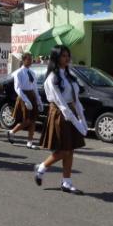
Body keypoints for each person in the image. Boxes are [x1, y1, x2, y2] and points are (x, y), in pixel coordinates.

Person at [34, 46, 88, 194]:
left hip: (70, 111)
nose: (67, 58)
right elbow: (61, 103)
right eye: (63, 56)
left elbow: (76, 99)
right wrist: (77, 123)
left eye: (67, 55)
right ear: (56, 58)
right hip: (60, 113)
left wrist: (82, 119)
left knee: (70, 150)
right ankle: (41, 167)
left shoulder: (69, 75)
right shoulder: (52, 78)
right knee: (64, 150)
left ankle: (67, 182)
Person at [7, 52, 43, 149]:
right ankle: (12, 132)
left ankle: (30, 142)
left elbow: (35, 87)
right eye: (28, 59)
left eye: (31, 59)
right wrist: (26, 100)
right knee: (27, 120)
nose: (30, 61)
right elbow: (17, 88)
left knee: (33, 120)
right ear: (23, 60)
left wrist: (39, 100)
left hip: (31, 95)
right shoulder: (18, 72)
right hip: (23, 96)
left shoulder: (32, 73)